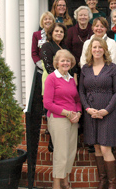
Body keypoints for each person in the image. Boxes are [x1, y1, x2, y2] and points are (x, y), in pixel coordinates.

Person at [79, 37, 116, 189]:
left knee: (105, 147)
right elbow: (81, 92)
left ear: (104, 49)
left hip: (108, 113)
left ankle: (112, 184)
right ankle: (102, 181)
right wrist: (88, 109)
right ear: (90, 50)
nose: (97, 50)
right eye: (94, 47)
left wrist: (106, 110)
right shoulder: (85, 69)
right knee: (97, 147)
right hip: (91, 113)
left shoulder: (112, 68)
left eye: (100, 47)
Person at [43, 49, 82, 189]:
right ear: (57, 63)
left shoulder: (71, 79)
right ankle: (57, 184)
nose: (66, 63)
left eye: (68, 61)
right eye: (63, 60)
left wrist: (78, 113)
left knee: (71, 151)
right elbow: (47, 103)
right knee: (61, 152)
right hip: (58, 118)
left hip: (72, 119)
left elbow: (77, 100)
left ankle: (65, 181)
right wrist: (66, 113)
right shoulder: (52, 78)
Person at [66, 6, 94, 84]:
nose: (83, 17)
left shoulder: (94, 30)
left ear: (89, 17)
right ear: (76, 17)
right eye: (80, 15)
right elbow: (67, 49)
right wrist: (77, 61)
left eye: (85, 15)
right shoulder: (70, 31)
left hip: (91, 65)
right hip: (73, 66)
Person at [40, 23, 68, 93]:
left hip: (65, 81)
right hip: (52, 81)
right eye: (56, 31)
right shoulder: (46, 46)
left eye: (61, 32)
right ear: (51, 32)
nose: (59, 33)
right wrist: (60, 80)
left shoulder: (64, 47)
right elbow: (49, 66)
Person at [31, 11, 55, 78]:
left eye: (50, 19)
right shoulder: (36, 35)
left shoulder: (56, 34)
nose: (48, 21)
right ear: (42, 22)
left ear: (53, 21)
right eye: (45, 19)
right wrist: (42, 65)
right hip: (41, 68)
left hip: (55, 67)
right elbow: (34, 52)